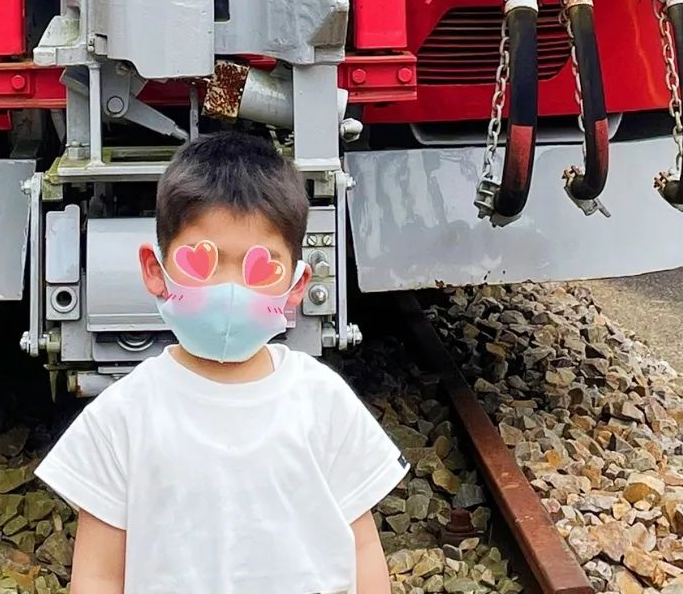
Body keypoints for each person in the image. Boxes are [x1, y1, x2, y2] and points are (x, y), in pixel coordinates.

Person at [36, 131, 408, 593]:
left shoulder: (323, 400)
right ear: (156, 270)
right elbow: (98, 574)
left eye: (261, 268)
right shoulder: (121, 416)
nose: (231, 290)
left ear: (296, 286)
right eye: (203, 263)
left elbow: (362, 550)